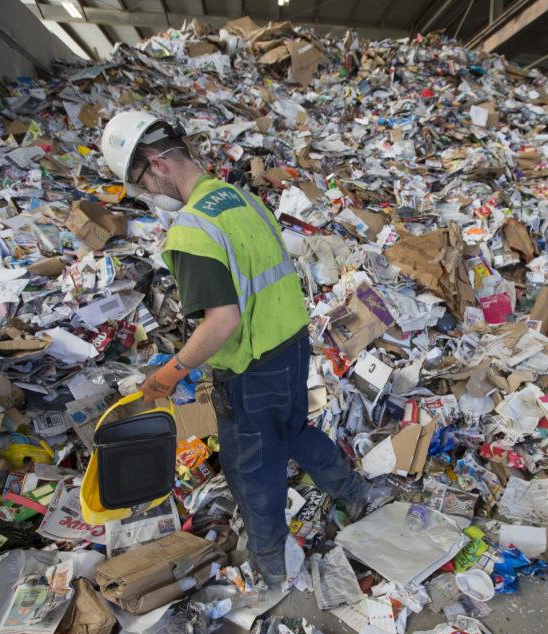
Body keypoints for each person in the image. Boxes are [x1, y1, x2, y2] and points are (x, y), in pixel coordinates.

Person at [101, 111, 370, 586]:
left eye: (142, 182)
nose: (148, 193)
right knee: (292, 429)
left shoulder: (191, 229)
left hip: (251, 369)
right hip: (291, 346)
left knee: (252, 471)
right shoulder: (242, 199)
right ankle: (354, 491)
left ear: (158, 164)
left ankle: (270, 566)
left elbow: (222, 320)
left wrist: (172, 372)